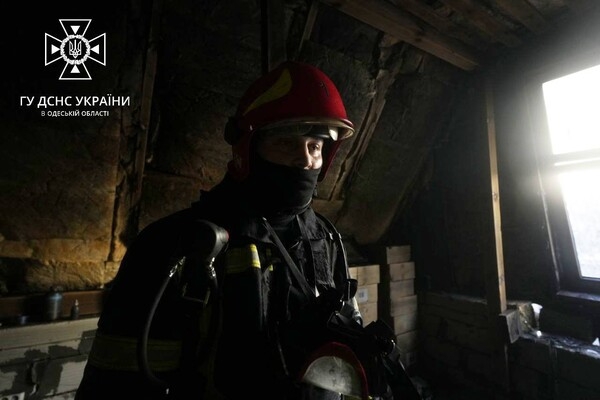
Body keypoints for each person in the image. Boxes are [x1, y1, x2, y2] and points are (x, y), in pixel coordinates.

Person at [75, 60, 366, 399]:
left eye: (315, 146)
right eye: (287, 143)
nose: (304, 160)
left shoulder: (325, 239)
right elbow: (115, 386)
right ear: (248, 147)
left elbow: (345, 338)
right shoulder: (171, 244)